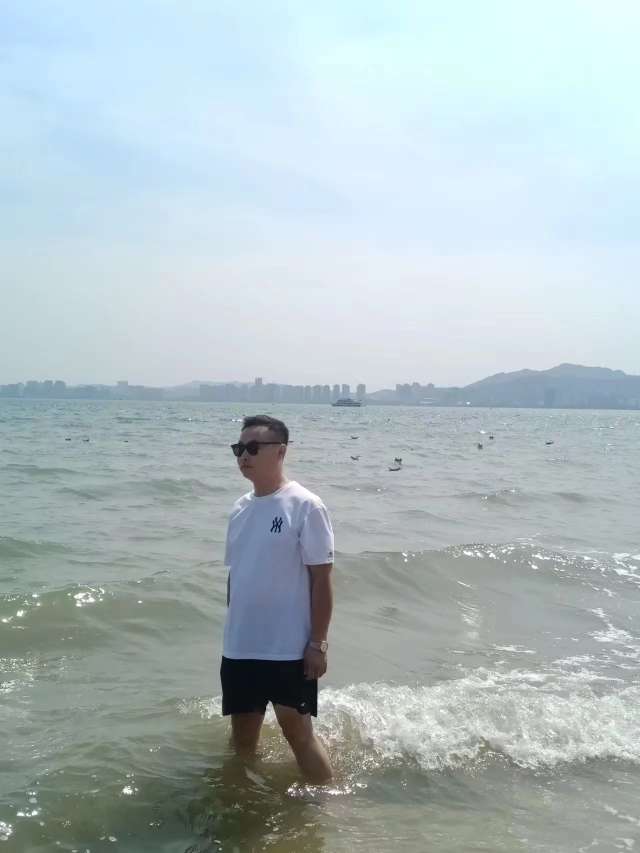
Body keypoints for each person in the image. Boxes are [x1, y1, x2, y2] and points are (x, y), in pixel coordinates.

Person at [221, 414, 334, 782]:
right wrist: (232, 632)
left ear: (280, 451)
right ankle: (242, 803)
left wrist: (317, 644)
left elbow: (322, 580)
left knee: (298, 735)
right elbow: (237, 575)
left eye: (253, 448)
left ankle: (325, 806)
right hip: (240, 648)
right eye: (239, 448)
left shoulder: (305, 505)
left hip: (287, 650)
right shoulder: (239, 508)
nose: (244, 456)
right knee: (241, 740)